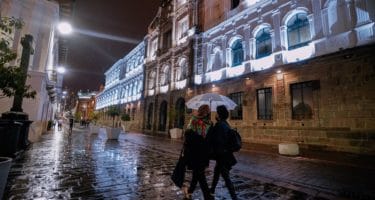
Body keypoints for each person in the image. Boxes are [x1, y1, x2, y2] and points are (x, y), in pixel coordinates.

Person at [206, 105, 238, 200]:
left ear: (219, 115)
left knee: (226, 177)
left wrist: (211, 128)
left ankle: (234, 196)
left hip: (222, 155)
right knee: (216, 172)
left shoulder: (219, 125)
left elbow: (215, 140)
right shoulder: (225, 124)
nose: (215, 114)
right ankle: (212, 190)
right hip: (225, 154)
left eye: (216, 113)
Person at [183, 104, 213, 200]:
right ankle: (206, 195)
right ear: (207, 113)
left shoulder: (194, 121)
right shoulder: (209, 124)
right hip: (203, 153)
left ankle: (191, 191)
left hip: (194, 152)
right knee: (199, 173)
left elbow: (187, 134)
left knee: (198, 174)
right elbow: (210, 140)